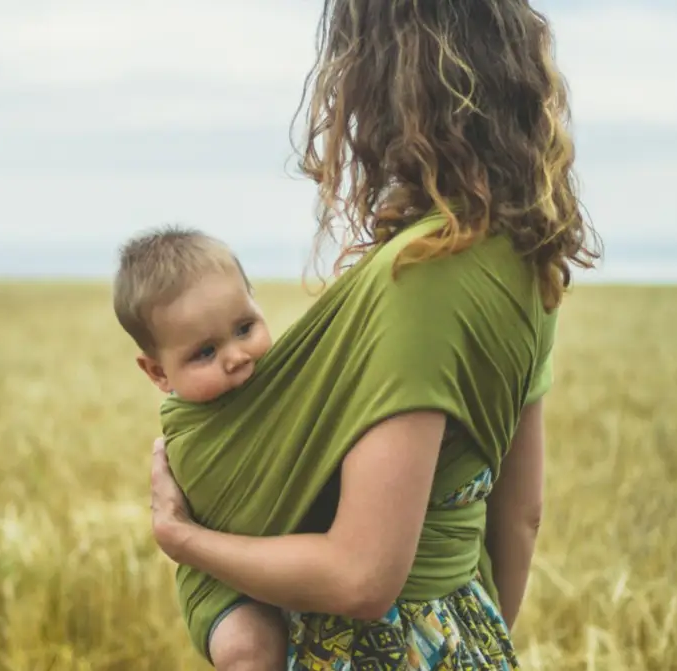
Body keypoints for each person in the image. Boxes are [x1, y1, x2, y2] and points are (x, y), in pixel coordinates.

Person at [146, 0, 599, 667]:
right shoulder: (530, 256)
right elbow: (520, 514)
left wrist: (181, 538)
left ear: (384, 83)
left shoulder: (418, 273)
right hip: (466, 633)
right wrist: (467, 640)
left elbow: (361, 577)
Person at [110, 225, 291, 671]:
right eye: (205, 353)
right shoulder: (190, 430)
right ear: (159, 373)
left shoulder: (281, 381)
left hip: (282, 558)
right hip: (220, 581)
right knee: (249, 649)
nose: (236, 356)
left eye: (245, 328)